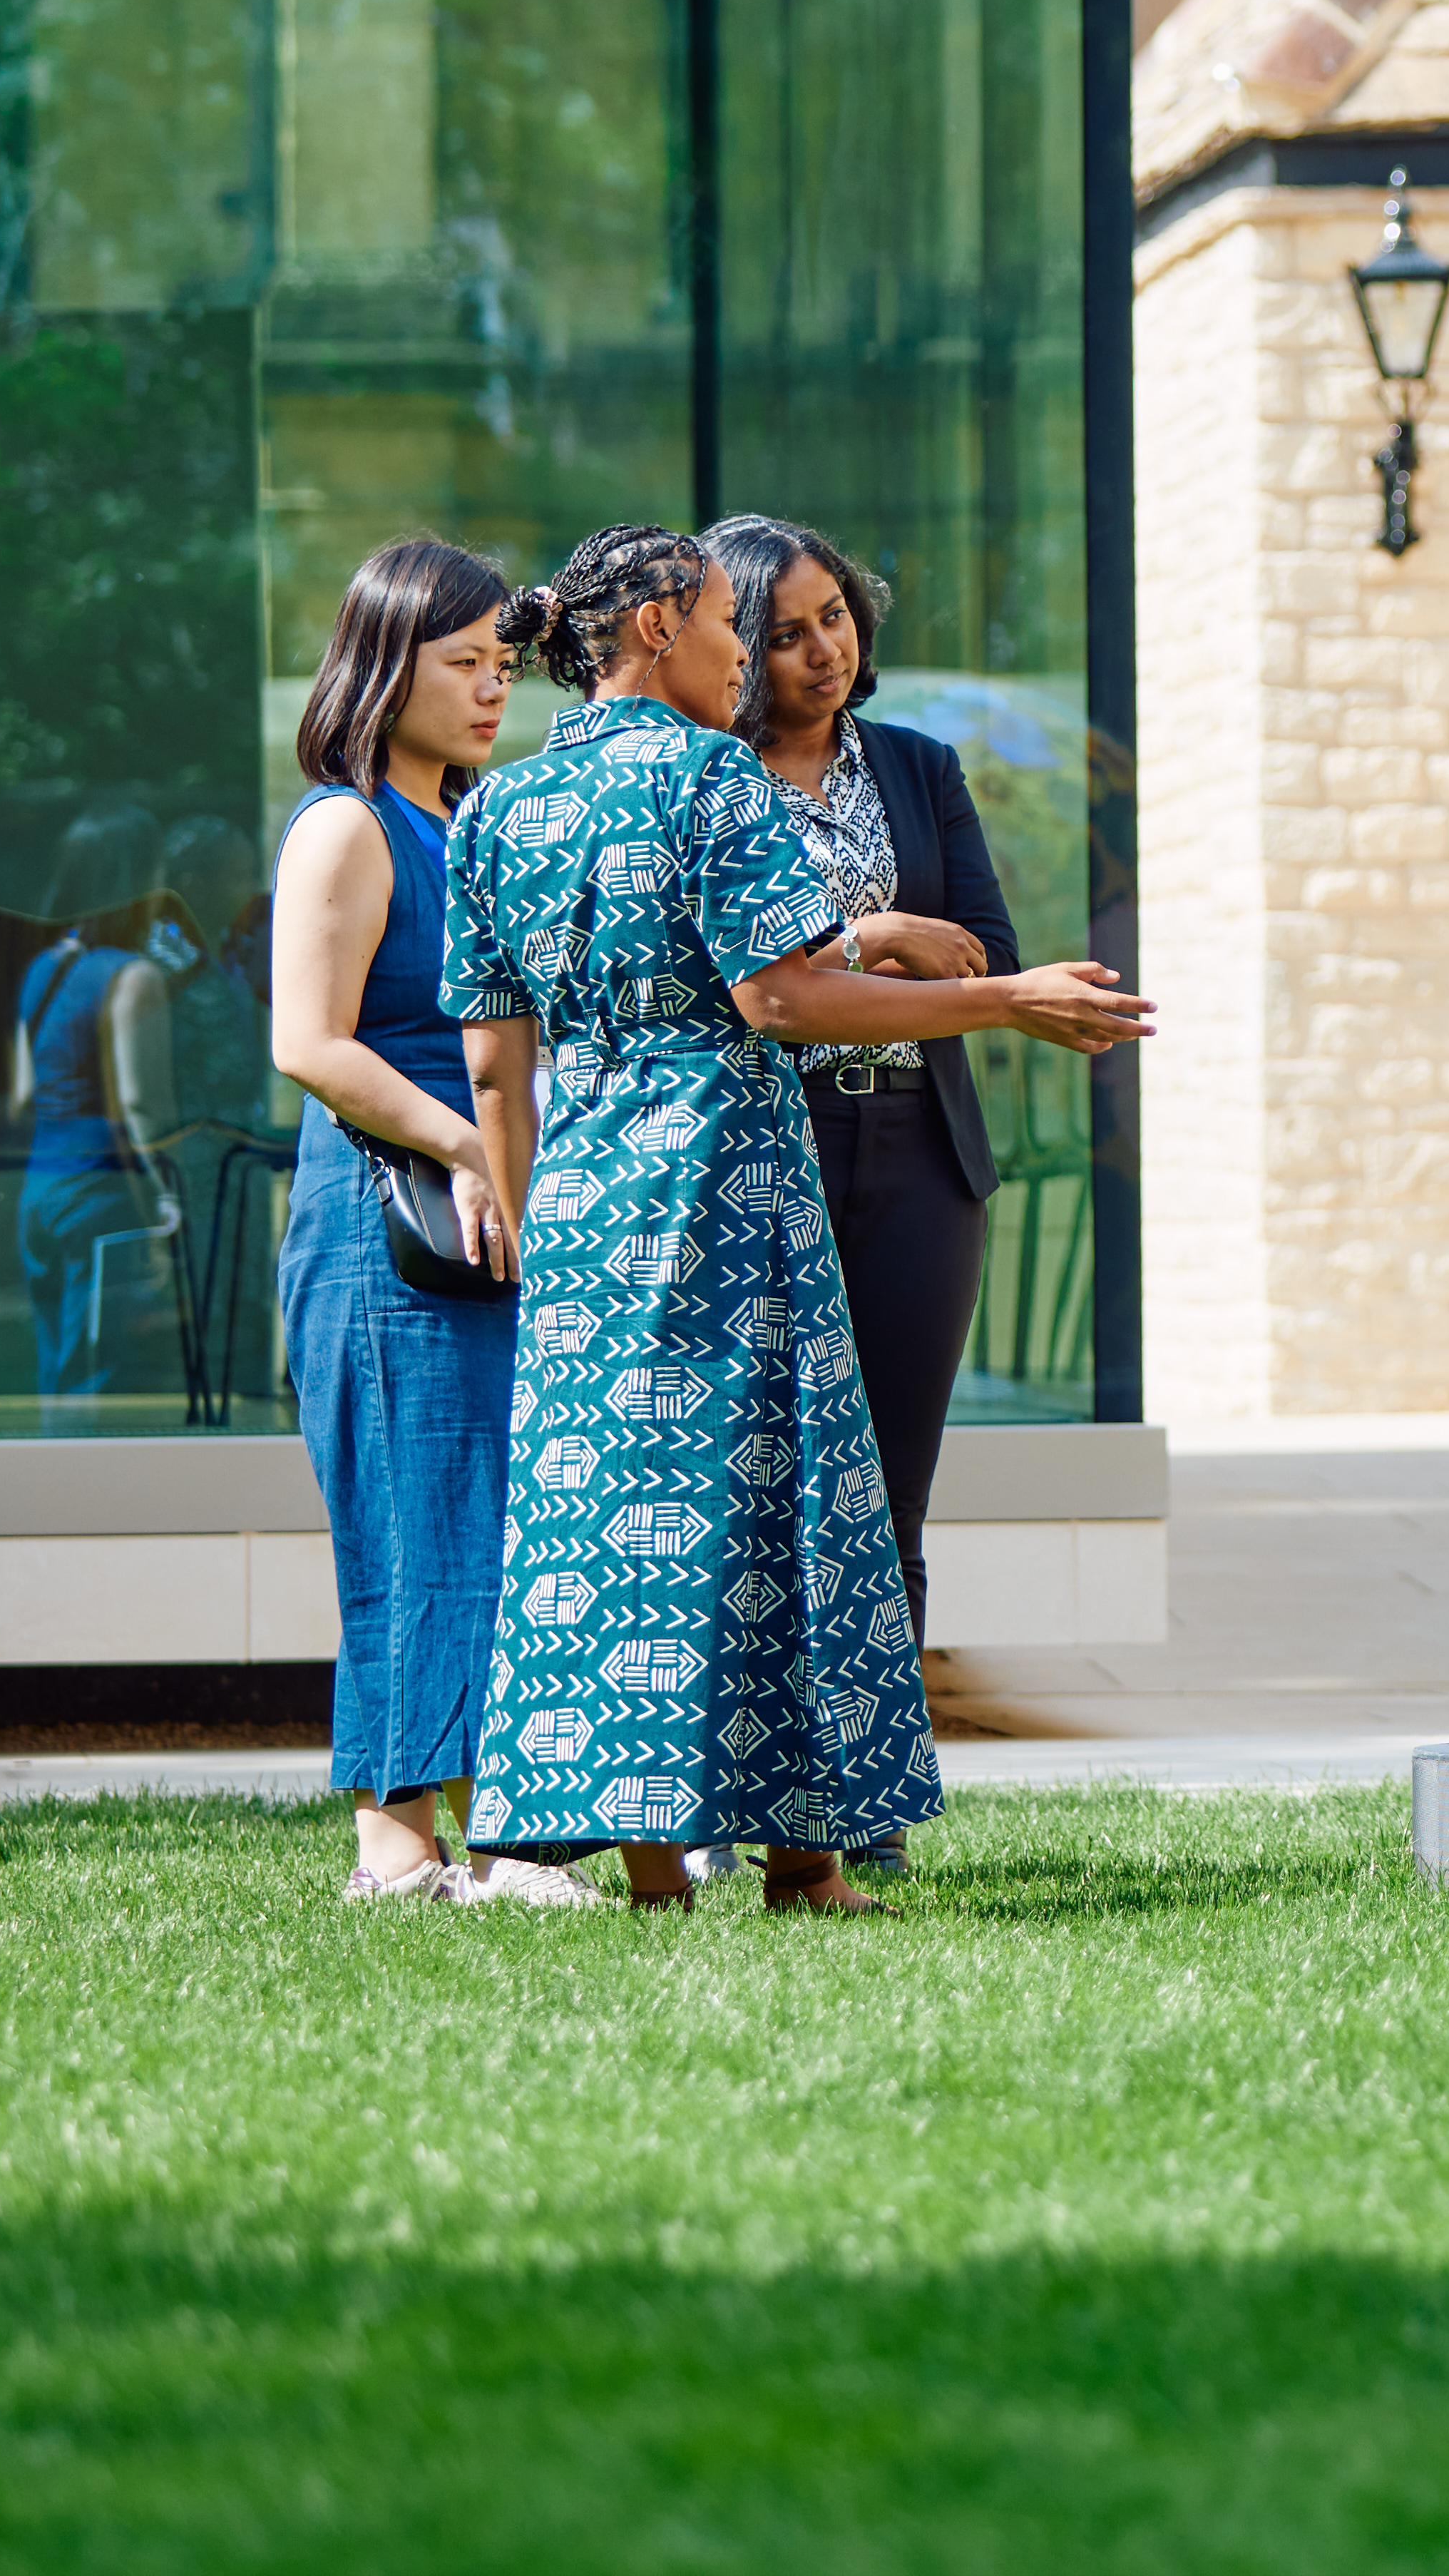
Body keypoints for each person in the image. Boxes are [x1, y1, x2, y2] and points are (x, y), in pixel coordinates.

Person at [444, 524, 1154, 1913]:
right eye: (726, 623)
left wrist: (533, 1224)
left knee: (611, 1515)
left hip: (587, 1202)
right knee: (789, 1505)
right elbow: (788, 997)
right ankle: (809, 1864)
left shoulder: (497, 809)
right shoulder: (713, 775)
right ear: (654, 624)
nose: (741, 654)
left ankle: (653, 1863)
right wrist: (1007, 998)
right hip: (728, 1181)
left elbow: (489, 1062)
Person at [265, 538, 573, 1908]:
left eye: (503, 663)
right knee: (409, 1515)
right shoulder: (347, 825)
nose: (492, 689)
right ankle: (396, 1840)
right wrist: (458, 1139)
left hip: (487, 1202)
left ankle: (498, 1831)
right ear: (387, 669)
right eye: (462, 664)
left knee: (494, 1517)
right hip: (384, 1213)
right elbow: (309, 1040)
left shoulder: (472, 821)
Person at [705, 515, 1015, 1672]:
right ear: (735, 645)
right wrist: (873, 937)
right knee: (755, 1488)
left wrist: (835, 962)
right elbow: (730, 982)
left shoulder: (917, 767)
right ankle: (750, 1810)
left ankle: (868, 1808)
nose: (820, 649)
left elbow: (983, 949)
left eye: (833, 615)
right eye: (784, 633)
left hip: (921, 1147)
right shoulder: (707, 783)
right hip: (759, 1141)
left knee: (888, 1492)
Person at [14, 803, 190, 1411]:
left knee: (57, 1374)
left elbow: (21, 1093)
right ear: (141, 879)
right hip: (103, 1198)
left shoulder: (44, 969)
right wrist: (166, 1203)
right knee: (102, 1382)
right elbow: (143, 1108)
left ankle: (49, 1498)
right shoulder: (135, 978)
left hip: (39, 1195)